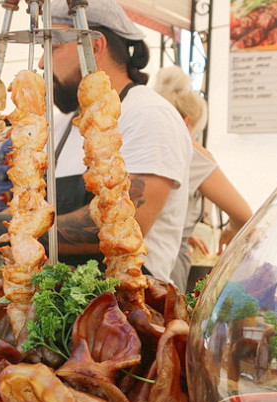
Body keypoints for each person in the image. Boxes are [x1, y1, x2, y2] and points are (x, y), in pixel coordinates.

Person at [36, 0, 194, 284]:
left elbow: (127, 223)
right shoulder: (62, 125)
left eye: (53, 47)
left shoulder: (148, 114)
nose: (41, 63)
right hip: (62, 297)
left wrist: (24, 230)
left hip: (129, 302)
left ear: (94, 47)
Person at [152, 66, 253, 292]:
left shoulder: (138, 142)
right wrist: (231, 229)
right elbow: (245, 216)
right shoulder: (190, 150)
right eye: (197, 132)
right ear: (186, 122)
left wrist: (184, 233)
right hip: (166, 267)